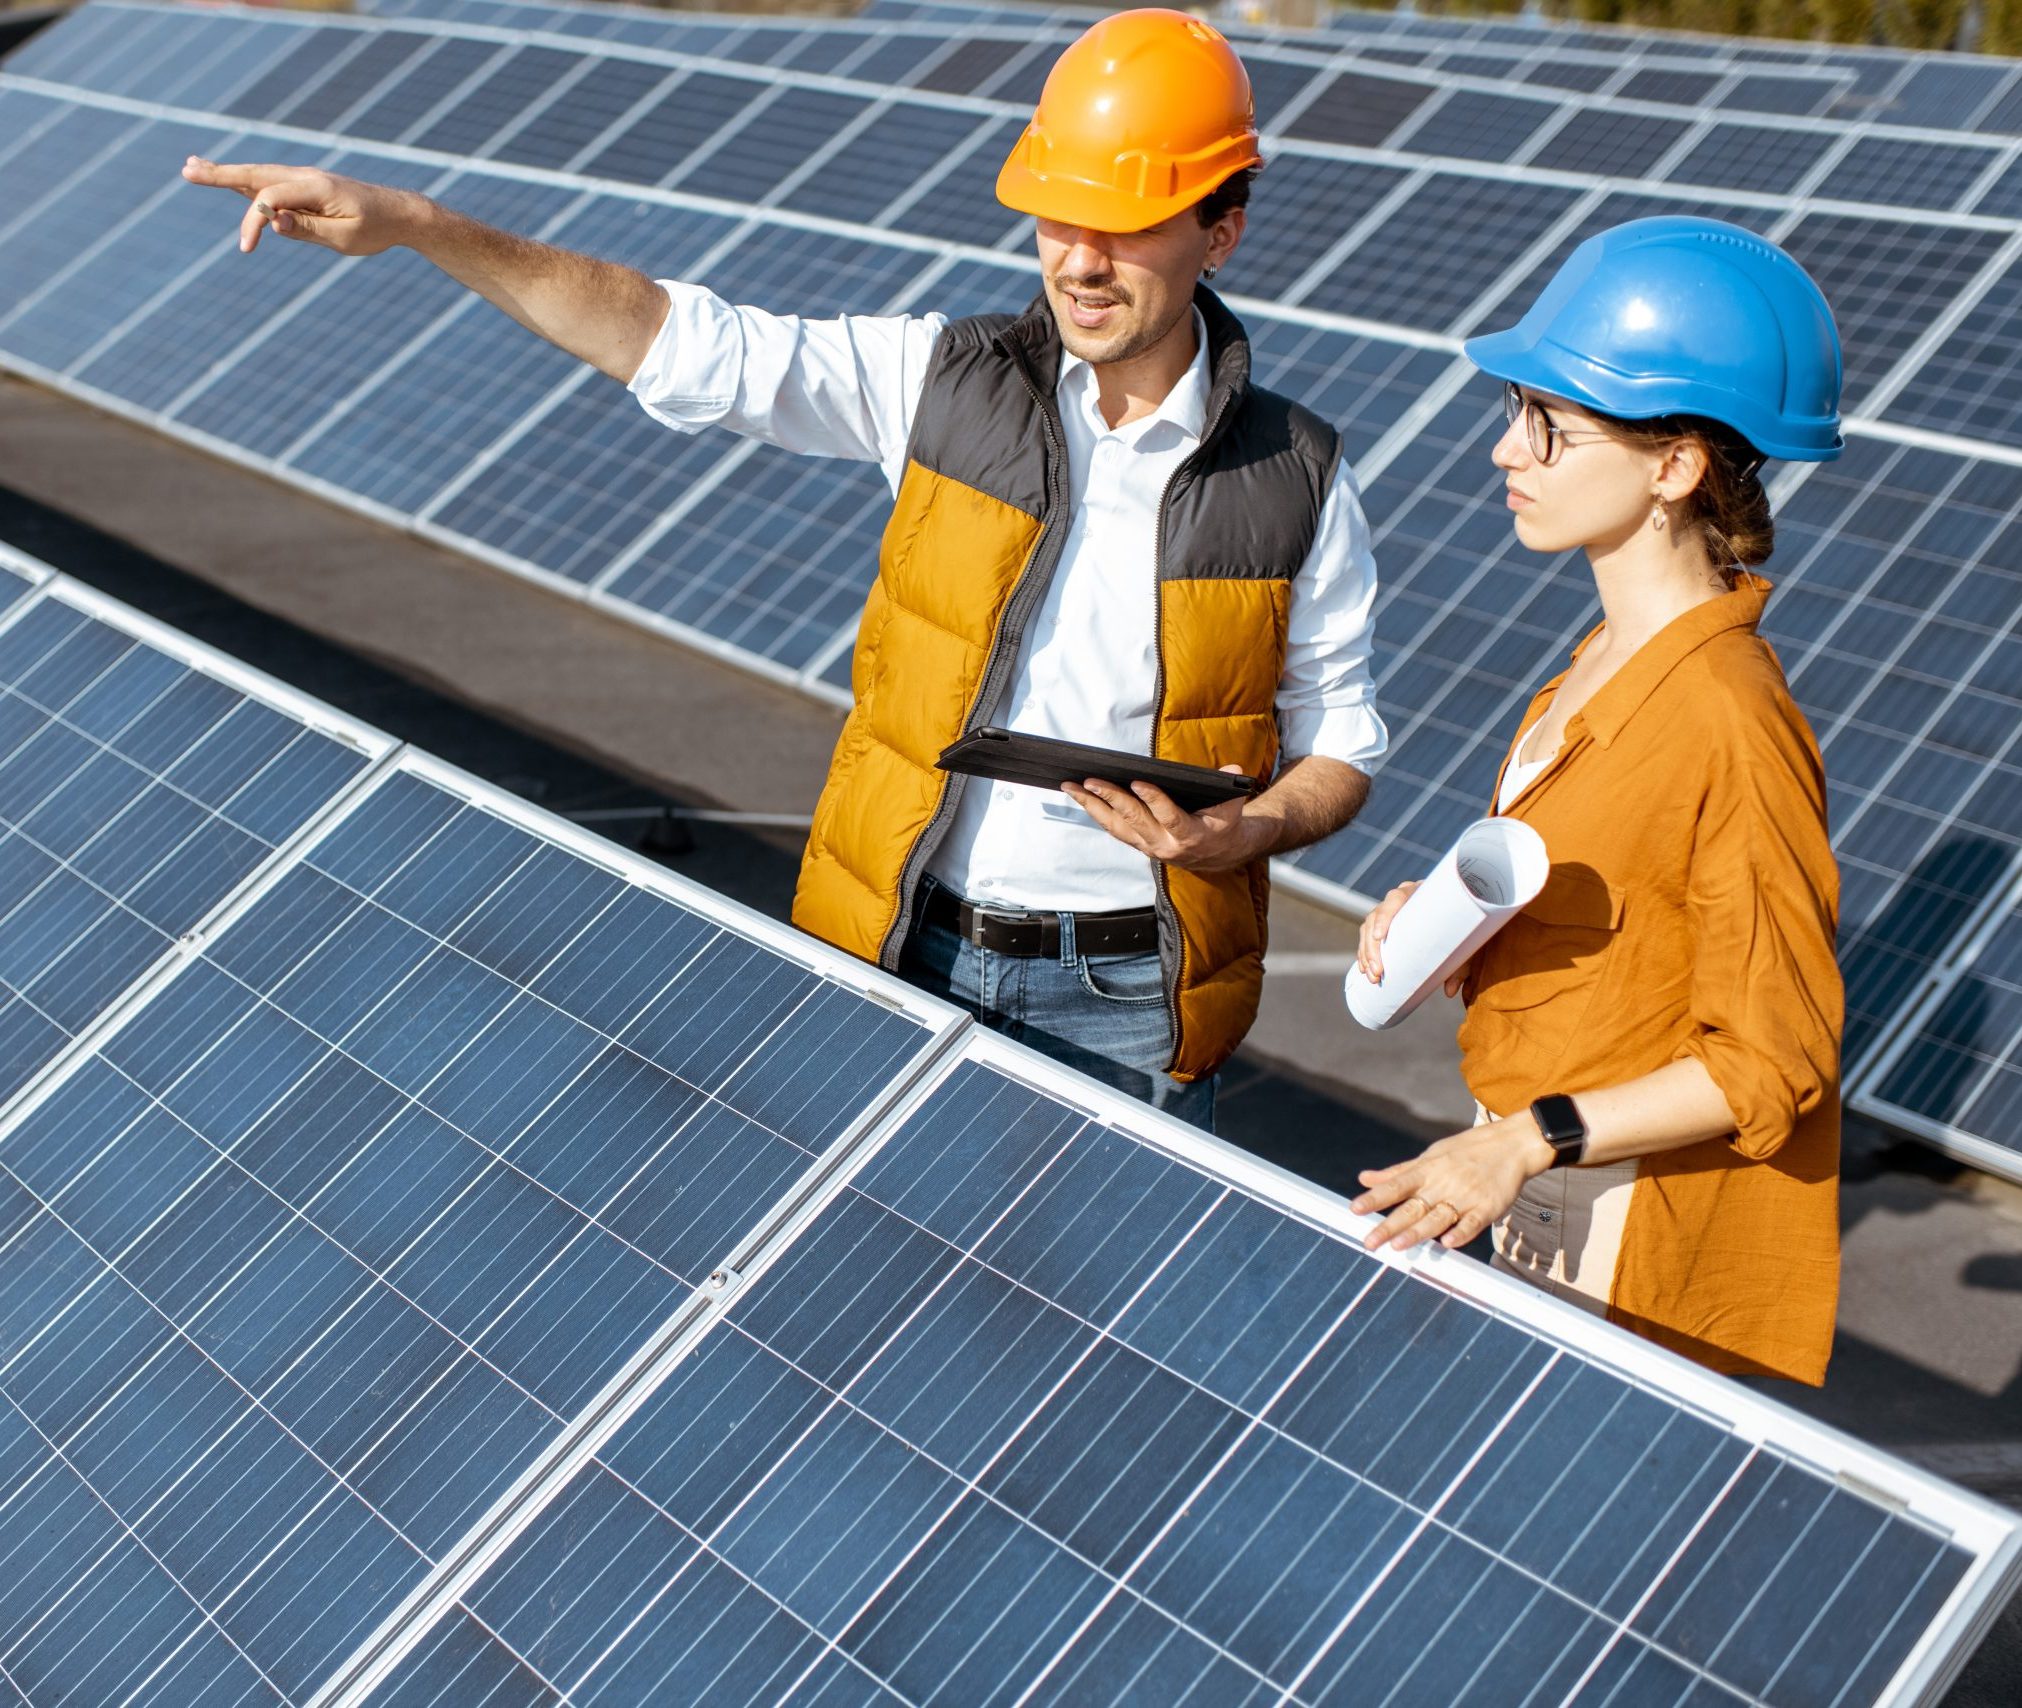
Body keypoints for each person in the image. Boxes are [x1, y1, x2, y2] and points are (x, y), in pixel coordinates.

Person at [182, 9, 1387, 1132]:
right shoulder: (940, 382)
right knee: (854, 1325)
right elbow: (679, 340)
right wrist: (421, 226)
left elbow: (1341, 744)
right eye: (1057, 218)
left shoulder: (1297, 475)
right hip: (898, 940)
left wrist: (1246, 832)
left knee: (1103, 1340)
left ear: (1220, 229)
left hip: (1129, 986)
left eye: (1123, 227)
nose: (1077, 261)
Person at [1350, 217, 1845, 1385]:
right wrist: (1448, 928)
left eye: (1551, 427)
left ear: (1674, 468)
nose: (1505, 453)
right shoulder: (1592, 663)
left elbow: (1773, 1059)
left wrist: (1529, 1139)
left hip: (1630, 1255)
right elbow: (1612, 940)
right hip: (1536, 1205)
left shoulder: (1730, 717)